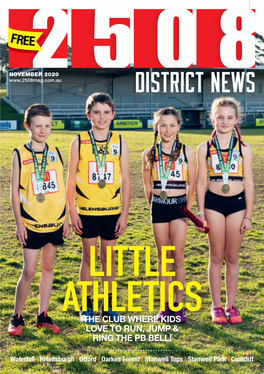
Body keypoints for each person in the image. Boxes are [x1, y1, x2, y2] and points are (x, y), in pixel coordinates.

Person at [67, 92, 131, 324]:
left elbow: (126, 181)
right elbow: (70, 179)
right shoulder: (79, 141)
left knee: (108, 259)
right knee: (88, 258)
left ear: (113, 115)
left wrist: (124, 214)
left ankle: (109, 307)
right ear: (89, 115)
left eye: (106, 112)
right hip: (86, 211)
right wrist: (72, 211)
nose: (101, 116)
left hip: (112, 211)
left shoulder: (120, 142)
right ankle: (87, 307)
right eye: (96, 112)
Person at [8, 104, 69, 336]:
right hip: (31, 223)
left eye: (47, 126)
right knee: (30, 270)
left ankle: (43, 314)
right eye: (38, 126)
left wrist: (64, 219)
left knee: (48, 266)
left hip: (54, 221)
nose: (43, 131)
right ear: (28, 126)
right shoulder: (20, 153)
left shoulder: (56, 152)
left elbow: (61, 188)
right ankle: (16, 316)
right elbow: (14, 192)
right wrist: (19, 223)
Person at [196, 97, 254, 325]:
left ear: (236, 120)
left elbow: (249, 183)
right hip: (213, 204)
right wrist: (200, 213)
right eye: (220, 117)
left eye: (230, 117)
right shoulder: (204, 147)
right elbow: (200, 183)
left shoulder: (244, 148)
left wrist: (248, 215)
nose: (225, 121)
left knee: (232, 256)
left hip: (238, 204)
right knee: (216, 255)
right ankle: (216, 306)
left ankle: (231, 304)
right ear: (212, 119)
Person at [142, 107, 196, 323]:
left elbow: (191, 183)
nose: (167, 129)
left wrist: (187, 209)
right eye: (163, 125)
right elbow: (147, 184)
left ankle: (179, 306)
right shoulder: (149, 153)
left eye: (172, 124)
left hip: (180, 209)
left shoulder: (187, 151)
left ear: (178, 127)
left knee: (178, 259)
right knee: (162, 258)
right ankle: (164, 308)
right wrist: (154, 204)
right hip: (159, 208)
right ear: (156, 127)